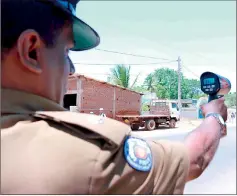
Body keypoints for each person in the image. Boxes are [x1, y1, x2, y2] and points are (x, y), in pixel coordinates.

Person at [1, 0, 228, 194]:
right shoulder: (83, 153)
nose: (70, 69)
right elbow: (193, 161)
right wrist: (214, 118)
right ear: (32, 51)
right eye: (66, 52)